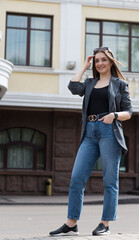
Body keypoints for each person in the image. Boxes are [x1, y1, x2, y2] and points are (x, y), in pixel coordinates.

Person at [49, 47, 132, 237]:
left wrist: (114, 115)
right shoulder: (89, 83)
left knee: (110, 181)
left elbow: (129, 112)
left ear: (111, 61)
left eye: (104, 59)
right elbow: (72, 87)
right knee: (77, 178)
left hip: (109, 130)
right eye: (97, 61)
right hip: (89, 132)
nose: (100, 63)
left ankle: (105, 224)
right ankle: (71, 223)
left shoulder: (120, 84)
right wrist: (84, 66)